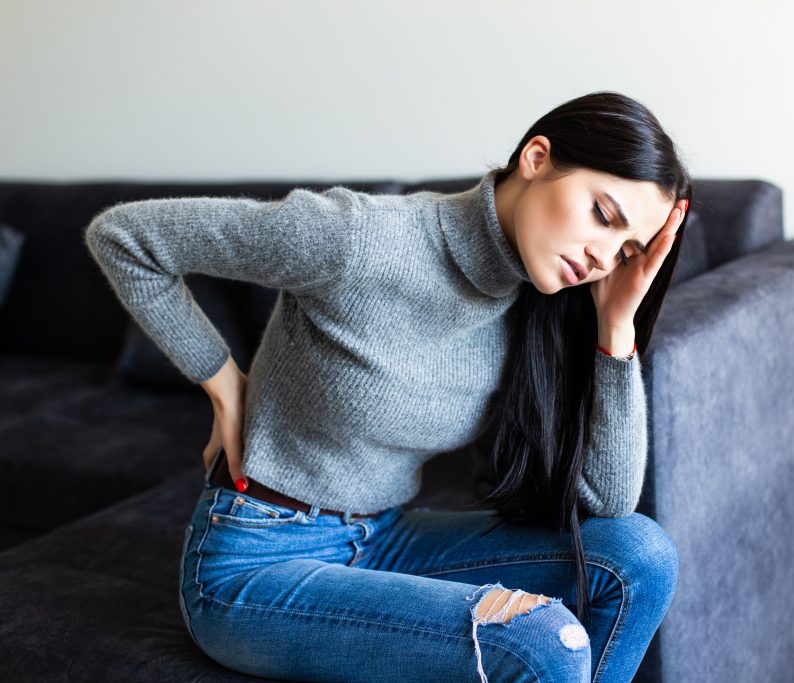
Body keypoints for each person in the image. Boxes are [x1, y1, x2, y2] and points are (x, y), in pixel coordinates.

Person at [84, 90, 694, 683]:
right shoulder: (355, 236)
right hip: (255, 560)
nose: (601, 256)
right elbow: (126, 238)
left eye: (626, 251)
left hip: (383, 537)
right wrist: (224, 384)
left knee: (638, 556)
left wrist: (615, 328)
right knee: (539, 644)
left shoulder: (539, 302)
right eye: (603, 215)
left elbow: (610, 501)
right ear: (537, 158)